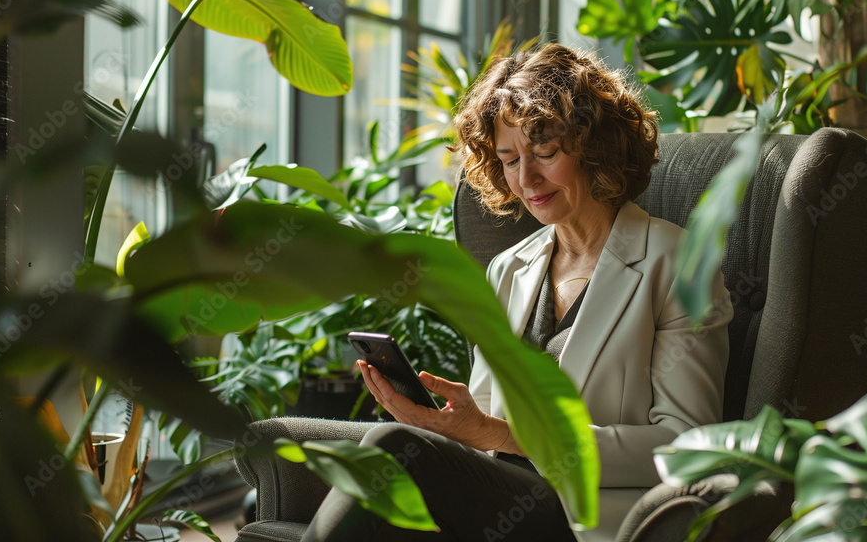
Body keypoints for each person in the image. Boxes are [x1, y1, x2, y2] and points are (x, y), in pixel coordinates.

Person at [302, 43, 732, 542]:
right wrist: (442, 425)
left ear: (595, 146)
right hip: (493, 503)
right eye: (508, 160)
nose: (526, 179)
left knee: (394, 452)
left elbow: (688, 447)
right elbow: (480, 428)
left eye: (545, 152)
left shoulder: (677, 263)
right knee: (358, 451)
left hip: (582, 518)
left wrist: (506, 436)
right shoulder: (508, 268)